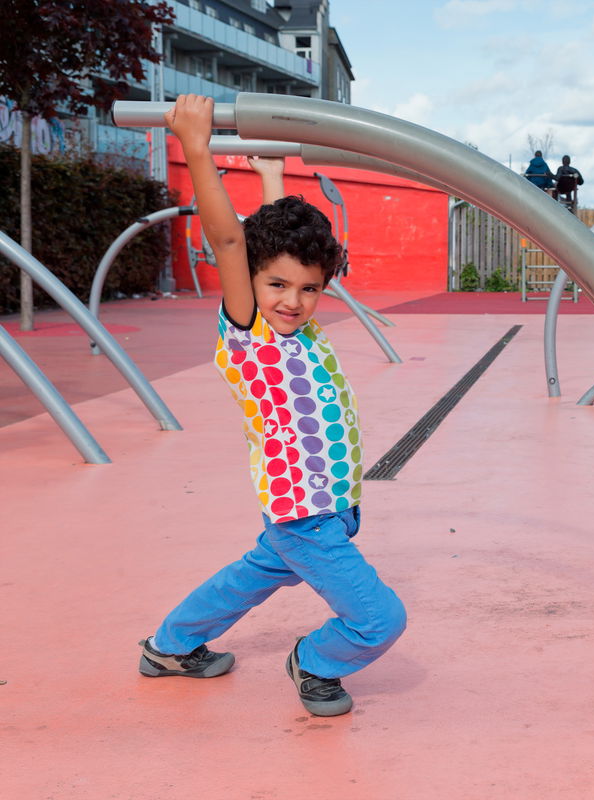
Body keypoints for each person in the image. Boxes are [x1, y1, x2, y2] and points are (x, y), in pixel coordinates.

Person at [137, 95, 406, 717]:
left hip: (323, 509)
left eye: (310, 289)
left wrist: (271, 176)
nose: (293, 300)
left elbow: (270, 243)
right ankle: (316, 661)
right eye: (278, 285)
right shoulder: (250, 333)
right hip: (305, 516)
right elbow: (233, 241)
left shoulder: (299, 330)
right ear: (251, 282)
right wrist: (196, 146)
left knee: (248, 579)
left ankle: (169, 646)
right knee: (378, 619)